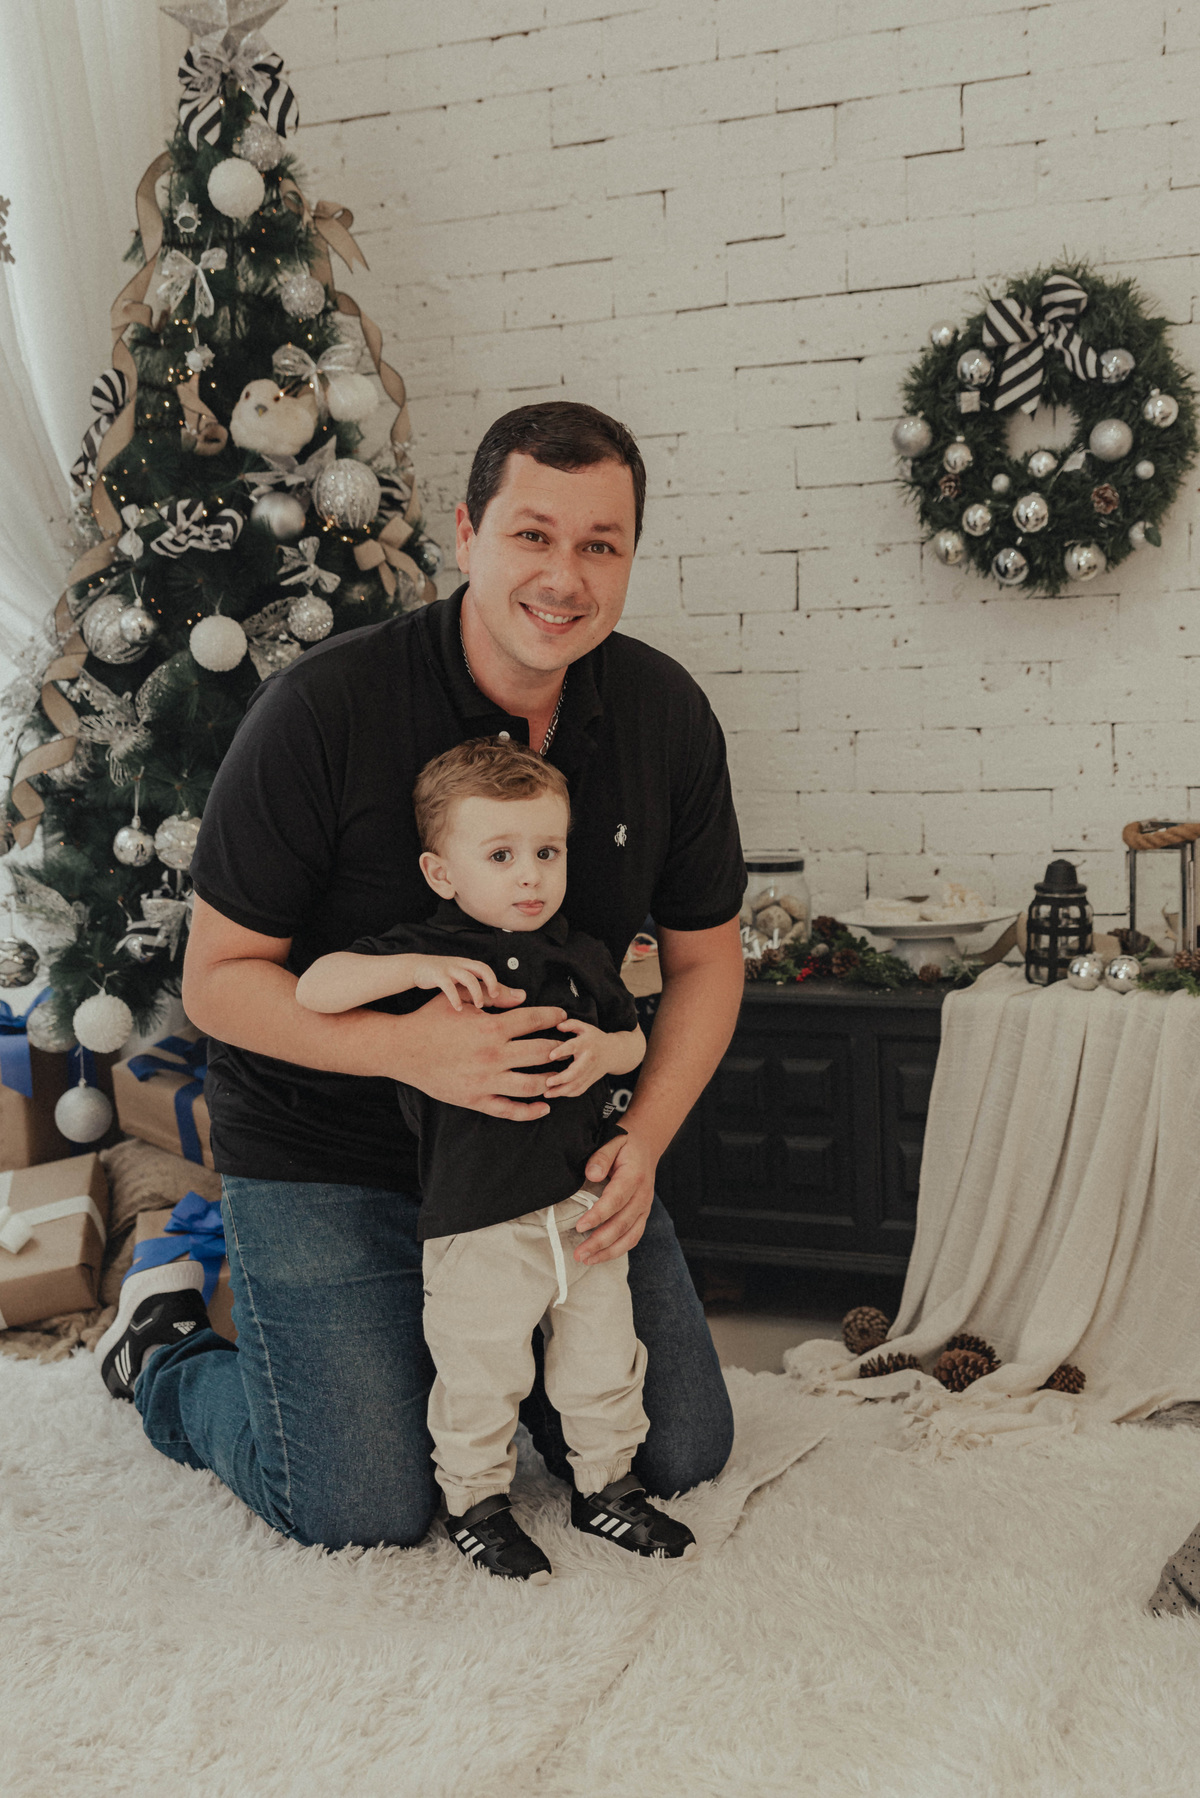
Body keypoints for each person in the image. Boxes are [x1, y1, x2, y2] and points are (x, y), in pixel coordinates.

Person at [97, 399, 747, 1553]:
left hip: (547, 1155)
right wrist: (407, 1047)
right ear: (466, 533)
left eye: (600, 544)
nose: (565, 576)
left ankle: (509, 1364)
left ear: (631, 557)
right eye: (532, 534)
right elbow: (218, 982)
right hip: (328, 1150)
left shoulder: (666, 716)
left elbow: (706, 962)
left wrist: (641, 1142)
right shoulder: (321, 708)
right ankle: (164, 1345)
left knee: (679, 1450)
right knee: (365, 1504)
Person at [294, 735, 696, 1580]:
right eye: (501, 855)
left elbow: (632, 1039)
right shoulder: (428, 955)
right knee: (480, 1369)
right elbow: (313, 988)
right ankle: (476, 1500)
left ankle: (607, 1486)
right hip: (477, 1215)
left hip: (583, 1208)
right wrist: (413, 969)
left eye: (547, 852)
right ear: (441, 873)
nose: (530, 877)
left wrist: (606, 1052)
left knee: (603, 1356)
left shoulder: (583, 953)